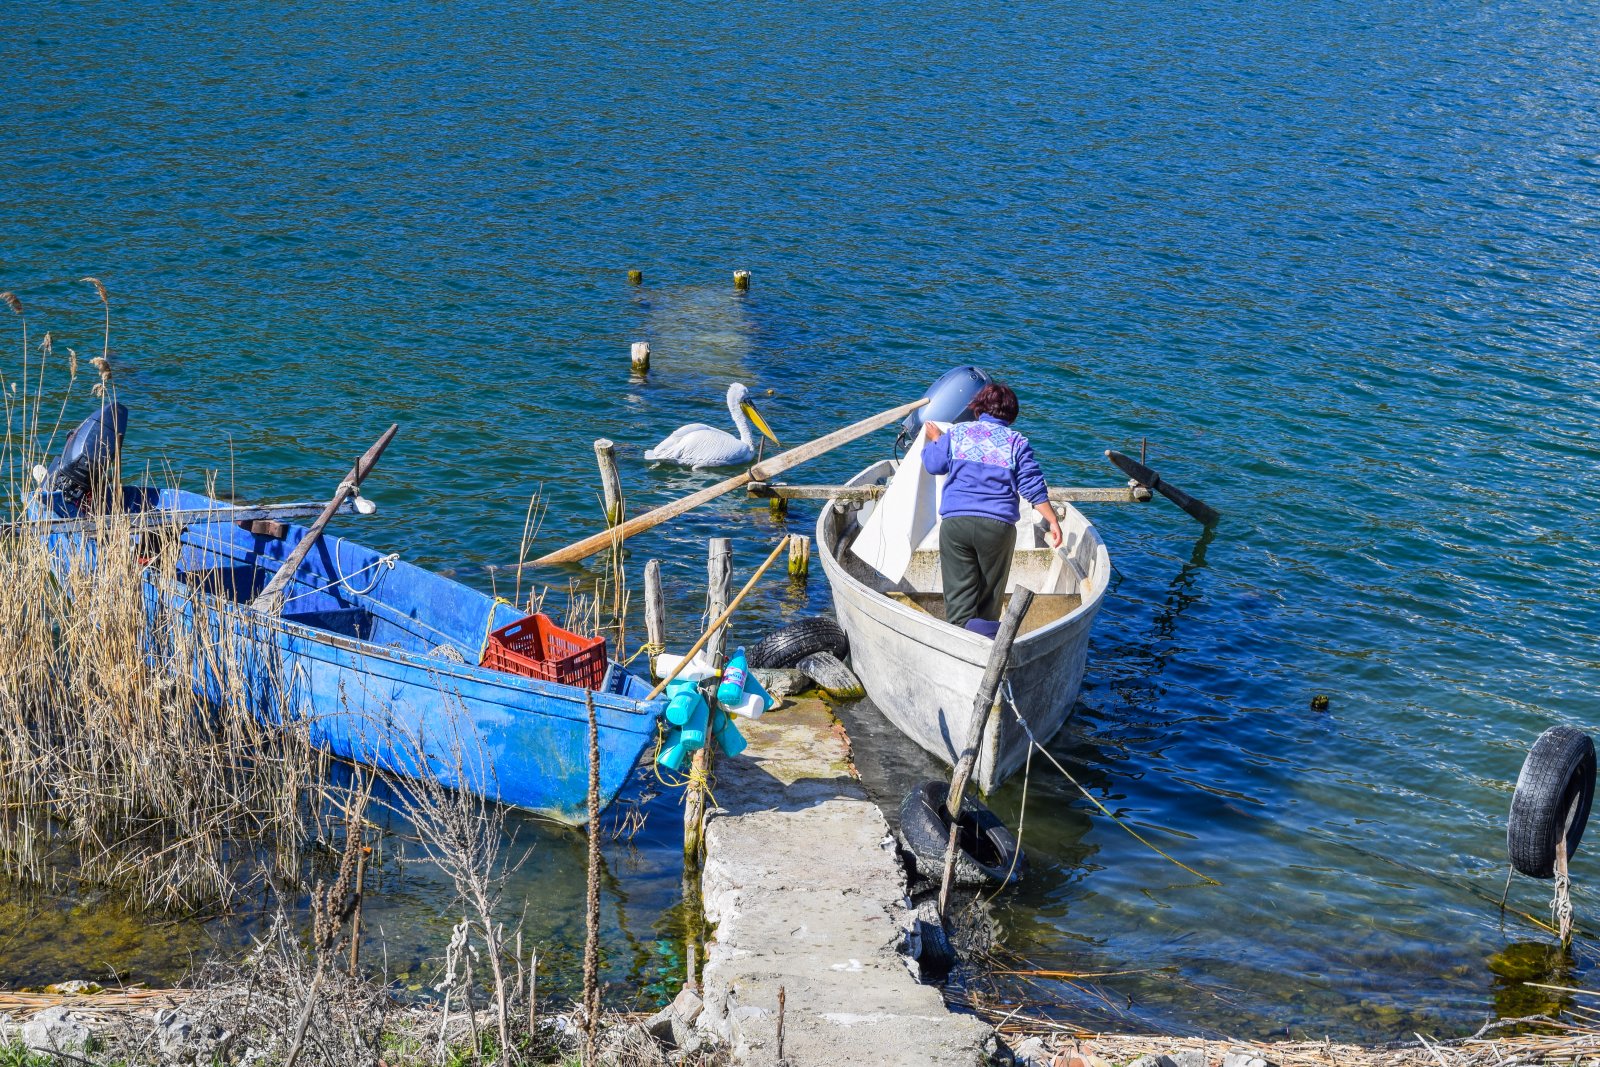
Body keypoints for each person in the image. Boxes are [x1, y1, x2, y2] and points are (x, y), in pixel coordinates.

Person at [921, 382, 1062, 637]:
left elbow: (933, 465)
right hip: (998, 528)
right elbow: (1032, 486)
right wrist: (1052, 521)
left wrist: (935, 440)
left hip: (957, 524)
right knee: (989, 604)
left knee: (959, 614)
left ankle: (993, 637)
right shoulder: (1016, 442)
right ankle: (1000, 636)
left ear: (978, 408)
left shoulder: (958, 433)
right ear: (1011, 414)